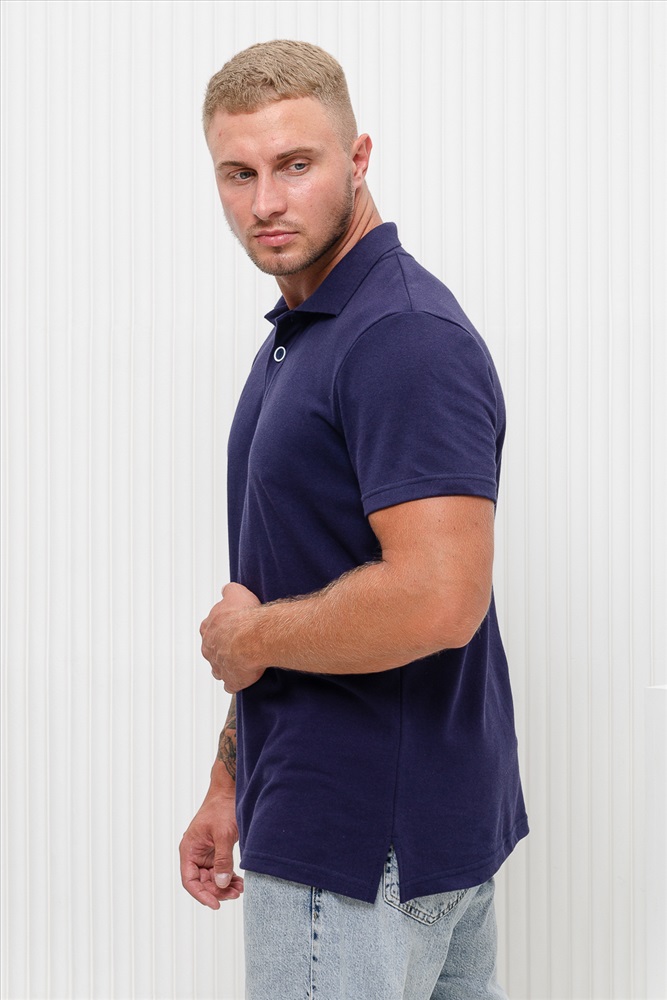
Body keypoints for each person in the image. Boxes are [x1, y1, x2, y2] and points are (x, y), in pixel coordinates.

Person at [179, 39, 528, 1000]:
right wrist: (231, 780)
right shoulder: (308, 335)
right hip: (378, 830)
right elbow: (301, 573)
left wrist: (249, 638)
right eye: (238, 173)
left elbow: (437, 598)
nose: (266, 201)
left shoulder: (398, 336)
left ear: (358, 157)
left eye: (295, 165)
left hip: (357, 851)